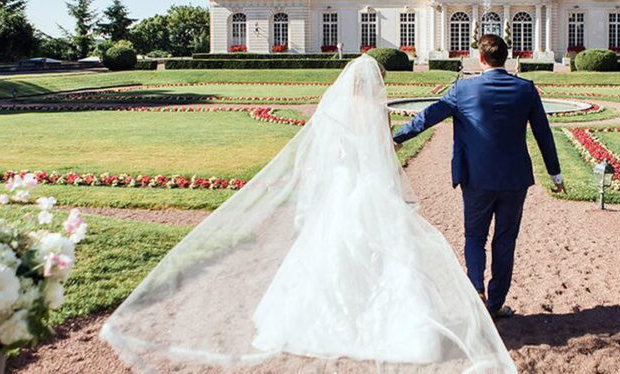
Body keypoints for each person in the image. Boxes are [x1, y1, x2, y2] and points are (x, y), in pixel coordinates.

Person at [101, 54, 515, 373]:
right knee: (388, 255)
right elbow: (382, 160)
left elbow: (323, 157)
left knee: (331, 252)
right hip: (369, 190)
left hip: (342, 189)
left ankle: (317, 324)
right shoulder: (377, 112)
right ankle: (414, 325)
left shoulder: (333, 110)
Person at [393, 34, 565, 319]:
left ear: (481, 59)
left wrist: (399, 137)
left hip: (476, 178)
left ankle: (476, 292)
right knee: (505, 240)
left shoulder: (463, 89)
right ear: (506, 59)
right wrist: (555, 173)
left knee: (475, 237)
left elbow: (430, 115)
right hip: (514, 179)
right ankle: (495, 303)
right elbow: (543, 134)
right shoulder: (526, 89)